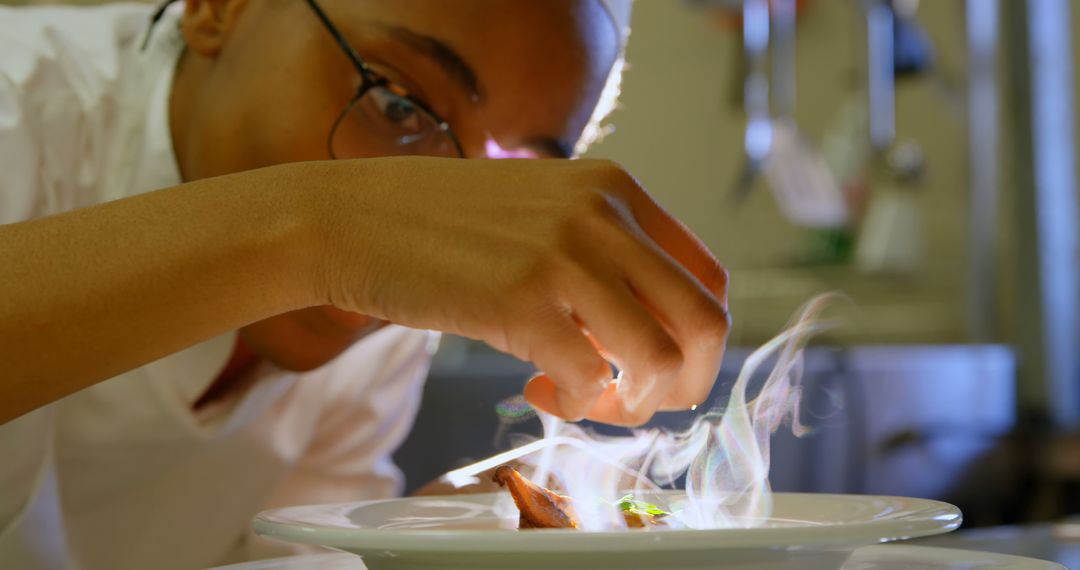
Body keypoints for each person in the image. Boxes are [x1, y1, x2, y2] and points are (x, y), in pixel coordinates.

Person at [0, 0, 730, 568]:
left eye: (506, 178)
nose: (440, 219)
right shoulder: (19, 106)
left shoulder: (384, 307)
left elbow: (290, 554)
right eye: (400, 106)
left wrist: (425, 545)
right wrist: (326, 228)